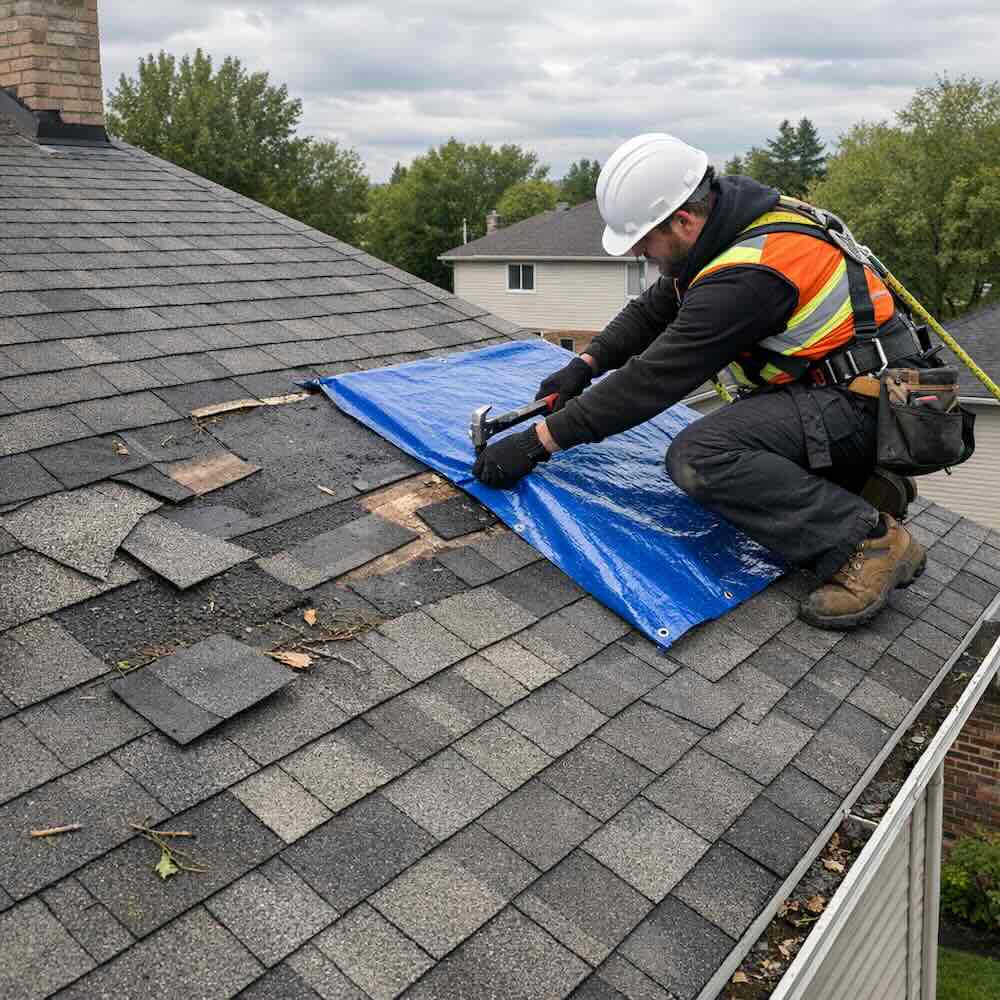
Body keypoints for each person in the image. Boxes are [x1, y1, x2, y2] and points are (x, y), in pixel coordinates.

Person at [472, 132, 929, 630]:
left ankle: (870, 541)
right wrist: (584, 365)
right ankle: (856, 484)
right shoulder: (727, 222)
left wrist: (539, 443)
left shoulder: (750, 275)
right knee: (744, 431)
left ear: (683, 220)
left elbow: (652, 381)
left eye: (645, 241)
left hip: (869, 402)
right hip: (849, 391)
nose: (643, 255)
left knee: (701, 456)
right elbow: (655, 307)